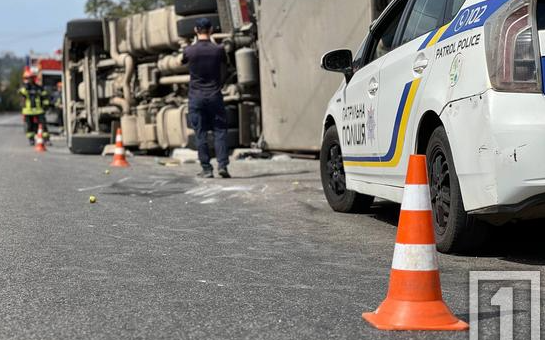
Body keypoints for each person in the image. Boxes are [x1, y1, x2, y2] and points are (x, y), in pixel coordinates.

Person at [183, 18, 230, 179]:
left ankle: (207, 168)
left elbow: (182, 61)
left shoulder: (190, 50)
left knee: (200, 133)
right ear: (211, 30)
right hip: (215, 95)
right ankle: (222, 165)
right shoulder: (218, 50)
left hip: (196, 97)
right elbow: (225, 69)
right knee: (220, 131)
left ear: (196, 30)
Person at [19, 68, 50, 146]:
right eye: (26, 78)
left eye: (29, 78)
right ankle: (31, 140)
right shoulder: (24, 88)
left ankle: (46, 139)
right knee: (30, 126)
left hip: (39, 110)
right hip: (28, 111)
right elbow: (21, 92)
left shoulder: (39, 88)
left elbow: (45, 96)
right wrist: (26, 87)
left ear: (33, 78)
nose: (28, 80)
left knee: (43, 125)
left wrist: (46, 105)